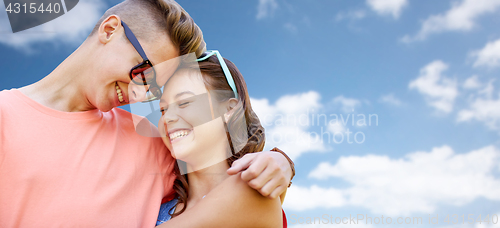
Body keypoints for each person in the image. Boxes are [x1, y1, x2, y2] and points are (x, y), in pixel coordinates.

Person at [0, 0, 294, 227]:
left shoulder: (151, 139)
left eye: (154, 89)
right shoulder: (6, 118)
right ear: (110, 30)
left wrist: (281, 161)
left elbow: (218, 159)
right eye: (145, 72)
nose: (140, 95)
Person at [150, 50, 287, 227]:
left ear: (229, 109)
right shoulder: (159, 207)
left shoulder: (251, 191)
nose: (167, 118)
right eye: (163, 109)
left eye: (184, 102)